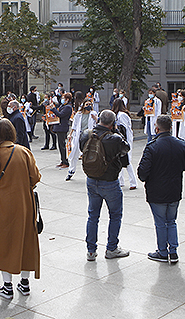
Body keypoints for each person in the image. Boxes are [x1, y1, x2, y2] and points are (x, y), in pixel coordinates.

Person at [0, 118, 41, 299]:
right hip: (24, 204)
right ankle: (25, 283)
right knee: (25, 240)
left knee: (4, 242)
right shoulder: (23, 152)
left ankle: (7, 286)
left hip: (1, 205)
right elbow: (36, 177)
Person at [138, 115, 185, 263]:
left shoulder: (153, 146)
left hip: (157, 191)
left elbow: (143, 172)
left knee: (161, 222)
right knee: (171, 221)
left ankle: (162, 251)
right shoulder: (181, 144)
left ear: (157, 127)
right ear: (171, 127)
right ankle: (173, 251)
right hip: (174, 189)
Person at [80, 110, 131, 261]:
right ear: (113, 123)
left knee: (93, 215)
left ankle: (90, 250)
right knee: (115, 215)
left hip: (91, 179)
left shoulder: (87, 134)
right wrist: (118, 132)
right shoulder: (114, 138)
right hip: (109, 181)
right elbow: (126, 148)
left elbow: (82, 148)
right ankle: (111, 248)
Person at [66, 98, 98, 181]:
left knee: (88, 155)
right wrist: (70, 134)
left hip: (88, 136)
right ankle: (71, 170)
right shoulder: (78, 114)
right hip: (78, 136)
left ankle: (90, 173)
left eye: (90, 104)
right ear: (83, 105)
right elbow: (74, 125)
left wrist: (95, 119)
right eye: (87, 104)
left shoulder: (93, 114)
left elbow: (98, 124)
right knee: (74, 153)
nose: (88, 106)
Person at [112, 98, 137, 190]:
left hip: (124, 139)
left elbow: (123, 128)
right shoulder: (120, 114)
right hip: (124, 139)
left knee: (127, 161)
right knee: (120, 159)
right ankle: (121, 180)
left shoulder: (121, 115)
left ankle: (132, 181)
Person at [48, 93, 73, 167]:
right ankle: (62, 160)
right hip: (59, 127)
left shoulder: (68, 107)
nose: (62, 99)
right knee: (60, 145)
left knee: (62, 145)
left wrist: (53, 109)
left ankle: (65, 161)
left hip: (62, 127)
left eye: (63, 98)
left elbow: (60, 114)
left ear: (67, 99)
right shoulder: (63, 106)